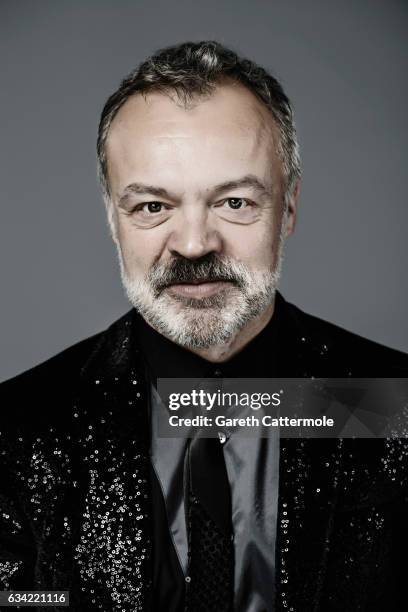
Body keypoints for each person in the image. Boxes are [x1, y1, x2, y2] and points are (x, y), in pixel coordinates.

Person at [1, 40, 407, 612]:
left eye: (235, 202)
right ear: (113, 221)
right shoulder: (18, 430)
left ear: (288, 207)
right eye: (151, 207)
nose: (193, 244)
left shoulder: (393, 409)